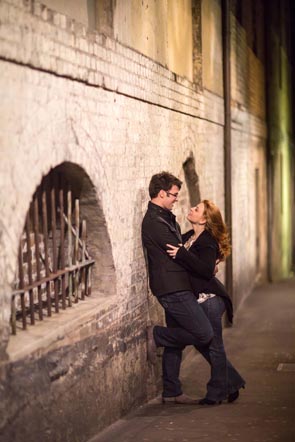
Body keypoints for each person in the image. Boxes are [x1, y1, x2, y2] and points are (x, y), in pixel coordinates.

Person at [142, 172, 218, 404]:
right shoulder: (155, 222)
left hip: (177, 285)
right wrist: (191, 256)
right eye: (174, 195)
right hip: (171, 287)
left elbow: (183, 248)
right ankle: (157, 335)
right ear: (162, 193)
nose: (177, 199)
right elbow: (177, 251)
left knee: (177, 340)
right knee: (203, 333)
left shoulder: (165, 217)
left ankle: (171, 390)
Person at [166, 200, 245, 405]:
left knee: (214, 346)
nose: (192, 209)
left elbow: (205, 269)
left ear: (204, 219)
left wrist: (182, 254)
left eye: (197, 209)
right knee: (204, 344)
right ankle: (232, 382)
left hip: (209, 300)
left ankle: (216, 393)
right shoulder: (191, 237)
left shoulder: (207, 241)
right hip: (197, 301)